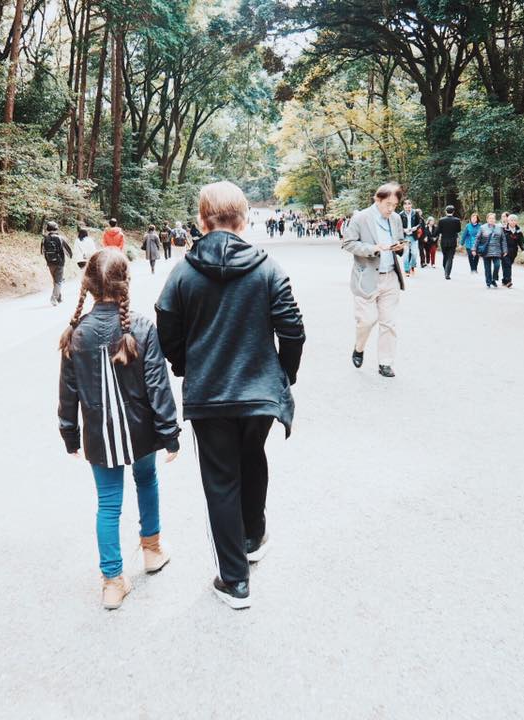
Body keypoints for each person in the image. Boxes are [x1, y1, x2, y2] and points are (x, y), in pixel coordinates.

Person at [156, 181, 305, 610]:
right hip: (259, 392)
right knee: (253, 456)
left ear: (202, 221)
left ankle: (235, 579)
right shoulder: (268, 268)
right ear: (242, 219)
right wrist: (282, 376)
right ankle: (253, 535)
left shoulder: (183, 272)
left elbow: (168, 328)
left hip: (210, 394)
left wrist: (187, 365)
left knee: (221, 480)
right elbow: (293, 329)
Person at [58, 249, 181, 610]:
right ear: (125, 282)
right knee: (147, 481)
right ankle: (152, 550)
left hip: (99, 438)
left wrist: (69, 434)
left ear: (89, 286)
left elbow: (68, 394)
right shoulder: (141, 327)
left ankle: (112, 582)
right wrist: (169, 433)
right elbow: (158, 386)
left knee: (108, 504)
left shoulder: (75, 335)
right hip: (141, 433)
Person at [343, 182, 407, 377]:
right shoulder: (361, 218)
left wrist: (399, 247)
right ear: (377, 200)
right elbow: (348, 243)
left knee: (389, 323)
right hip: (367, 277)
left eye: (394, 205)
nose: (391, 209)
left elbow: (400, 241)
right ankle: (359, 347)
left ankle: (385, 363)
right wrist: (373, 248)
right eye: (388, 204)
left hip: (390, 277)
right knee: (367, 320)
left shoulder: (395, 219)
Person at [41, 220, 74, 306]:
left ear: (48, 229)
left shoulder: (44, 239)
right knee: (58, 281)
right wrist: (70, 256)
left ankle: (59, 297)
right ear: (56, 228)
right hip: (60, 262)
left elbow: (42, 251)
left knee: (55, 280)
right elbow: (67, 250)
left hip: (50, 263)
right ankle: (54, 298)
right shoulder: (60, 238)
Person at [477, 212, 507, 289]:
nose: (492, 220)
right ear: (487, 219)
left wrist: (505, 250)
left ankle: (494, 279)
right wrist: (474, 249)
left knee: (497, 265)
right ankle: (488, 281)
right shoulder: (482, 228)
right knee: (487, 268)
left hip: (497, 250)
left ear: (495, 219)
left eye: (493, 218)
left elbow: (503, 240)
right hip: (486, 251)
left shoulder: (499, 228)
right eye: (490, 218)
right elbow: (478, 239)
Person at [399, 199, 423, 277]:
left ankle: (412, 265)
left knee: (414, 253)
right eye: (405, 205)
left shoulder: (415, 213)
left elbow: (420, 223)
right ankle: (407, 270)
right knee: (405, 254)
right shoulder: (401, 214)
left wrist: (415, 228)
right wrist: (403, 229)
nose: (407, 206)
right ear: (403, 206)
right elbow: (398, 226)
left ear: (411, 205)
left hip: (414, 236)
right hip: (405, 237)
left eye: (409, 204)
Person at [501, 215, 524, 288]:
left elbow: (521, 241)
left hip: (514, 251)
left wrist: (523, 249)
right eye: (511, 220)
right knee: (507, 264)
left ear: (516, 222)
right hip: (504, 250)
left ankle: (504, 280)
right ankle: (509, 281)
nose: (513, 221)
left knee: (507, 265)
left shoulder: (518, 230)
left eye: (514, 220)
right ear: (508, 221)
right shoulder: (503, 229)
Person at [437, 205, 461, 280]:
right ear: (453, 212)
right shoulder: (457, 220)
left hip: (444, 241)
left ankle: (445, 270)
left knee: (445, 256)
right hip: (453, 241)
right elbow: (458, 230)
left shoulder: (441, 220)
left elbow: (438, 231)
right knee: (450, 258)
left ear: (445, 211)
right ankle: (447, 273)